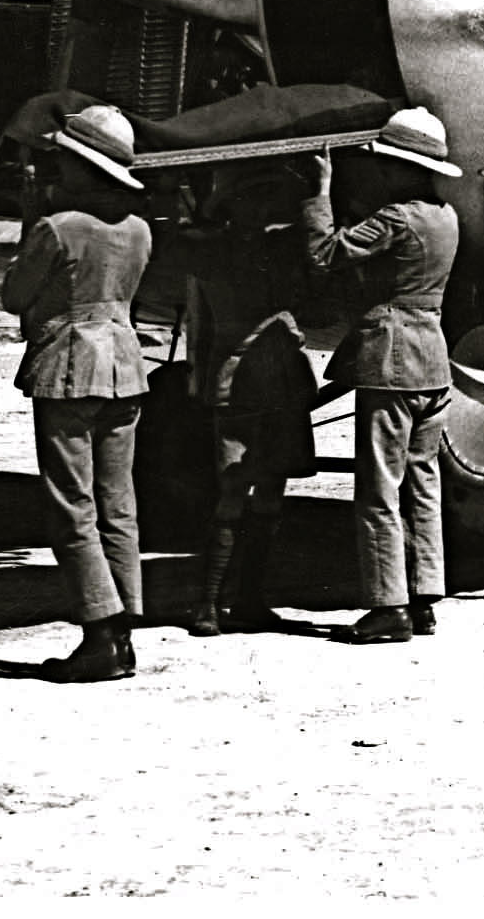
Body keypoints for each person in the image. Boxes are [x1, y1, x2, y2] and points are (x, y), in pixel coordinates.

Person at [1, 104, 153, 682]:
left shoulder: (58, 227)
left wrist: (32, 221)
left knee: (72, 503)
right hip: (123, 364)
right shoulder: (138, 229)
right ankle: (123, 629)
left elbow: (15, 296)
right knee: (118, 502)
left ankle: (98, 631)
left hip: (69, 366)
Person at [302, 107, 460, 645]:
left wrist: (319, 193)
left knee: (378, 489)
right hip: (432, 359)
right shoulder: (446, 217)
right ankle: (423, 596)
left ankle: (388, 606)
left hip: (391, 360)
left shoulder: (397, 219)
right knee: (422, 484)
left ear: (401, 167)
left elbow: (324, 254)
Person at [148, 157, 319, 637]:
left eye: (268, 198)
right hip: (257, 381)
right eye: (253, 198)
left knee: (266, 491)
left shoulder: (234, 248)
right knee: (235, 491)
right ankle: (212, 602)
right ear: (232, 206)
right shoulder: (237, 251)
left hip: (265, 381)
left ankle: (239, 599)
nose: (263, 208)